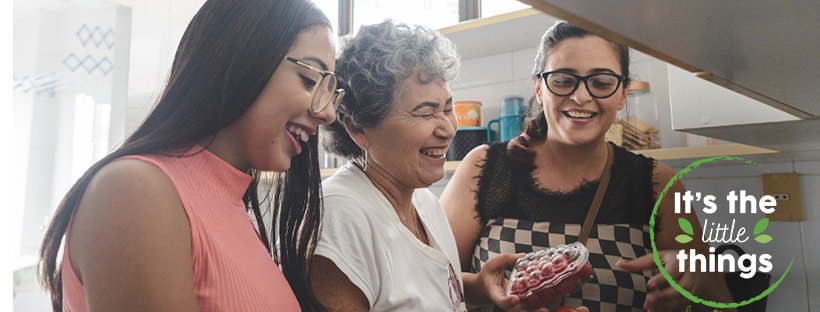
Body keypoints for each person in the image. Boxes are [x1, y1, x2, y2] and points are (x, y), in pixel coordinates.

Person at [37, 0, 341, 311]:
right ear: (242, 58)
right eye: (309, 79)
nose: (328, 113)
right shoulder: (136, 191)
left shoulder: (231, 205)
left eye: (331, 92)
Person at [441, 21, 734, 311]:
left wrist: (696, 278)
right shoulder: (484, 169)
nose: (581, 96)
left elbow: (719, 302)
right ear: (539, 88)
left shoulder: (658, 184)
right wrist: (482, 288)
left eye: (602, 82)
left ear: (622, 94)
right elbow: (424, 279)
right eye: (563, 80)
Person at [313, 20, 531, 312]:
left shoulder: (424, 202)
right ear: (358, 128)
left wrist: (479, 287)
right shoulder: (339, 216)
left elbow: (417, 290)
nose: (449, 128)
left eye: (448, 108)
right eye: (426, 112)